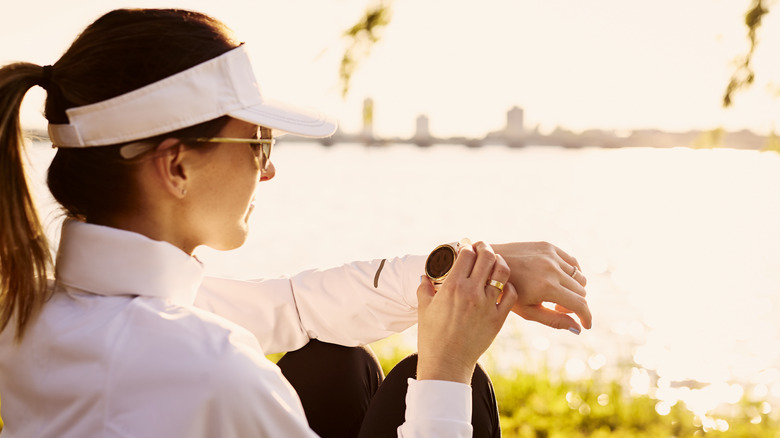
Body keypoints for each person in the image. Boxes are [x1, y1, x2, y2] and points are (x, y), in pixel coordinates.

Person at [0, 8, 592, 438]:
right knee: (437, 384)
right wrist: (448, 370)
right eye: (258, 143)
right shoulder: (212, 368)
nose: (271, 169)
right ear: (177, 165)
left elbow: (295, 308)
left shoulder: (32, 308)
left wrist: (465, 268)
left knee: (332, 361)